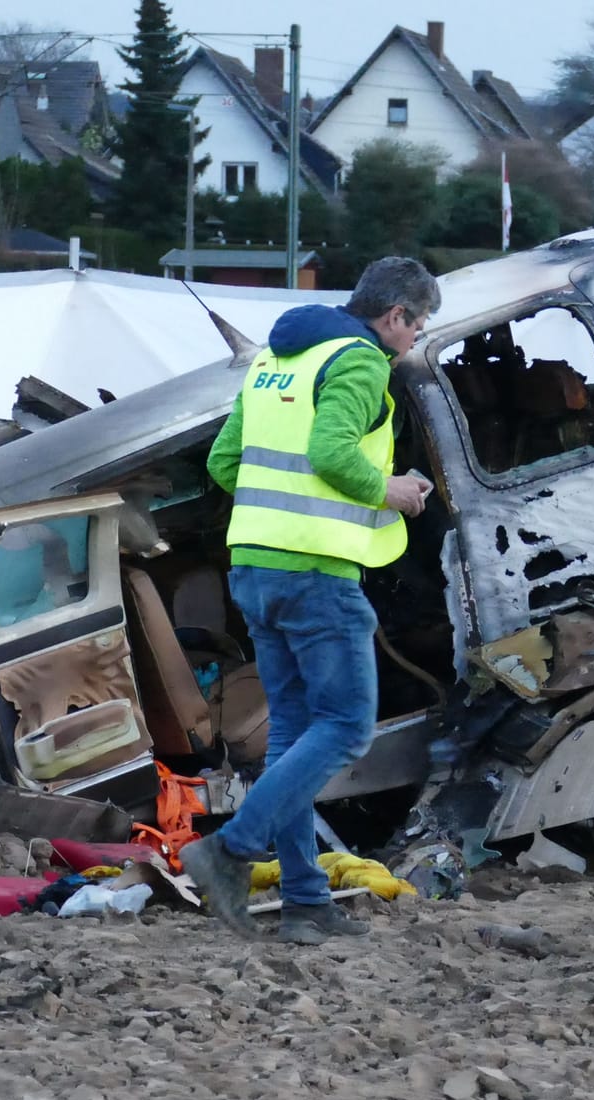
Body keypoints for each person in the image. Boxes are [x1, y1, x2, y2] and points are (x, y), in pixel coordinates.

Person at [180, 257, 439, 946]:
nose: (415, 340)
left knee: (293, 734)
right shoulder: (360, 361)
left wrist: (279, 516)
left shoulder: (276, 359)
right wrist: (394, 491)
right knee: (348, 726)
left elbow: (225, 463)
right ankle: (230, 852)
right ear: (395, 317)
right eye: (419, 325)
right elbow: (330, 453)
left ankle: (304, 901)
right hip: (316, 576)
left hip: (254, 568)